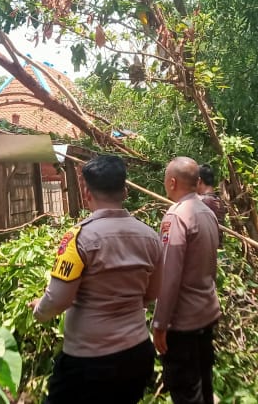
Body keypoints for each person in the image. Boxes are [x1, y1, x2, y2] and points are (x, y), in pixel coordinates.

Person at [32, 155, 163, 404]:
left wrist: (39, 310)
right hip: (136, 353)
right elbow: (152, 293)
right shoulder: (150, 237)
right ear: (125, 191)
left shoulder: (78, 238)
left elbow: (58, 300)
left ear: (86, 192)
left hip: (88, 362)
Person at [152, 156, 221, 404]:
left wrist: (160, 323)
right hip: (206, 314)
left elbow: (169, 276)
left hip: (184, 324)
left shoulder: (177, 217)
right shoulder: (208, 212)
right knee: (204, 384)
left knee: (187, 392)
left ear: (172, 182)